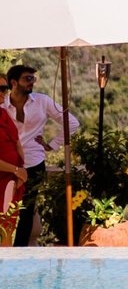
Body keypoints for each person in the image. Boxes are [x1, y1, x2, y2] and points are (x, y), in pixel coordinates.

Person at [3, 65, 80, 247]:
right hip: (7, 165)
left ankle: (18, 254)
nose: (32, 82)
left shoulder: (42, 101)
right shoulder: (1, 106)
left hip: (34, 163)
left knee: (26, 212)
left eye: (33, 79)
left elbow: (73, 123)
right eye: (27, 79)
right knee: (4, 209)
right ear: (14, 82)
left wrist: (51, 144)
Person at [0, 79, 26, 244]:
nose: (4, 91)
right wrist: (16, 170)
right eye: (0, 88)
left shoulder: (3, 114)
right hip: (3, 176)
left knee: (9, 224)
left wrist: (20, 171)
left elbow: (17, 142)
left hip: (11, 178)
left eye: (5, 88)